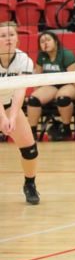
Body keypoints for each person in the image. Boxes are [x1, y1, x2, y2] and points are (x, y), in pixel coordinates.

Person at [0, 22, 40, 204]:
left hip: (9, 103)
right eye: (3, 36)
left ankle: (29, 184)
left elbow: (19, 90)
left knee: (30, 149)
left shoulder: (24, 60)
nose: (8, 38)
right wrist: (3, 118)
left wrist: (12, 117)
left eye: (11, 35)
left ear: (17, 38)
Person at [25, 31, 75, 141]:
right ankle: (32, 132)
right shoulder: (41, 56)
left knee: (62, 98)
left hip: (70, 84)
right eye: (42, 42)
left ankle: (66, 129)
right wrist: (35, 92)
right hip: (52, 85)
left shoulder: (66, 54)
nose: (45, 43)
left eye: (48, 40)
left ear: (56, 41)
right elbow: (37, 78)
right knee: (33, 99)